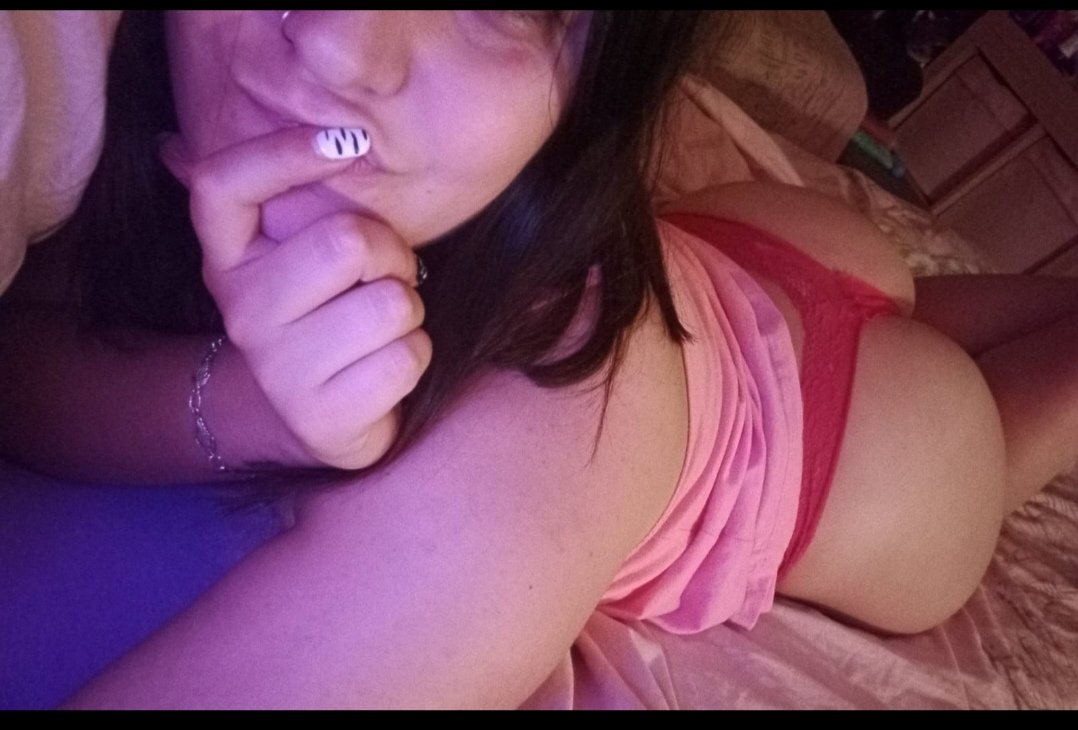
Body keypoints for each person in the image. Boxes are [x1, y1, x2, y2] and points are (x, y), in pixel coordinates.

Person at [1, 10, 1077, 709]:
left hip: (866, 449)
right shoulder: (76, 85)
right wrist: (260, 408)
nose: (337, 46)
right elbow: (18, 365)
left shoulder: (526, 461)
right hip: (735, 241)